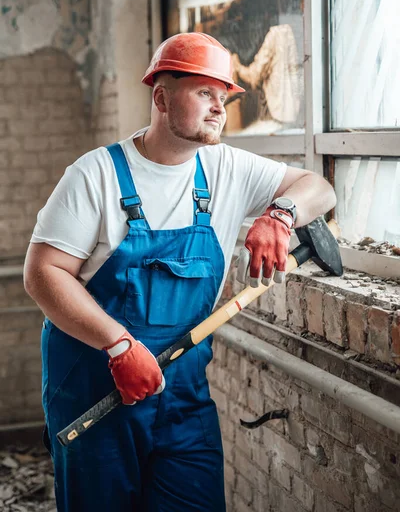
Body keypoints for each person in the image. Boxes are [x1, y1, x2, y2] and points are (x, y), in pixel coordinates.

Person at [24, 32, 336, 512]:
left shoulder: (225, 168)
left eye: (224, 97)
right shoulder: (95, 176)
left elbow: (320, 188)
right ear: (162, 98)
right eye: (205, 93)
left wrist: (281, 214)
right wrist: (118, 342)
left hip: (182, 398)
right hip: (97, 389)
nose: (219, 108)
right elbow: (43, 274)